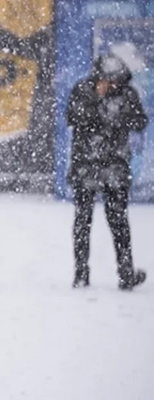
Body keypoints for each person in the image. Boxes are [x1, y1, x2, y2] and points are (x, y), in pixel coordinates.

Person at [66, 54, 147, 290]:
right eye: (108, 81)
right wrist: (97, 102)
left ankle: (125, 274)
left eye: (116, 82)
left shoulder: (127, 94)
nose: (112, 86)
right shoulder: (83, 90)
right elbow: (72, 117)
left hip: (115, 167)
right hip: (86, 166)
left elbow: (140, 121)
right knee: (83, 220)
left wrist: (118, 114)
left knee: (119, 222)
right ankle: (81, 273)